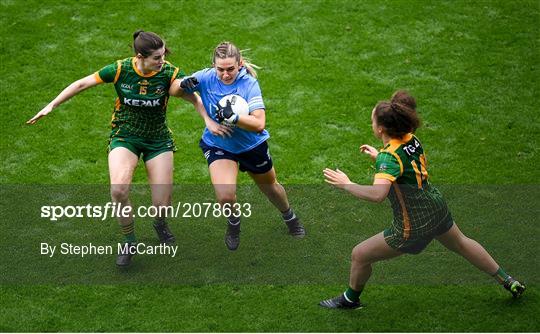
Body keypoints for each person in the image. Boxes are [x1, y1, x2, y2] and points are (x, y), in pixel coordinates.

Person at [319, 90, 526, 309]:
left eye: (372, 120)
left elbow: (377, 194)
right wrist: (378, 155)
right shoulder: (411, 139)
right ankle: (508, 281)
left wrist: (346, 184)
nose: (371, 123)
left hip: (414, 223)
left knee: (359, 254)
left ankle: (350, 299)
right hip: (435, 205)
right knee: (462, 243)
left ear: (380, 128)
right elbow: (403, 162)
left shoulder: (389, 157)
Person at [27, 30, 202, 267]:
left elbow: (181, 90)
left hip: (157, 140)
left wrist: (204, 113)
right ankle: (129, 241)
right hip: (125, 135)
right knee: (118, 190)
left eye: (163, 55)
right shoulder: (121, 70)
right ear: (140, 56)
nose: (162, 61)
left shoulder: (168, 72)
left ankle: (159, 222)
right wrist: (51, 105)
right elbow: (82, 83)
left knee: (161, 204)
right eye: (157, 57)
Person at [177, 41, 305, 251]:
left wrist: (233, 117)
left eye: (230, 69)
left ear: (240, 64)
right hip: (219, 145)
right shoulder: (206, 77)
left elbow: (258, 124)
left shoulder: (249, 84)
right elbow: (176, 90)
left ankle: (289, 216)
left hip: (251, 146)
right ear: (213, 66)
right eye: (220, 69)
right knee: (225, 196)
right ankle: (234, 224)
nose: (225, 74)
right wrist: (185, 85)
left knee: (270, 188)